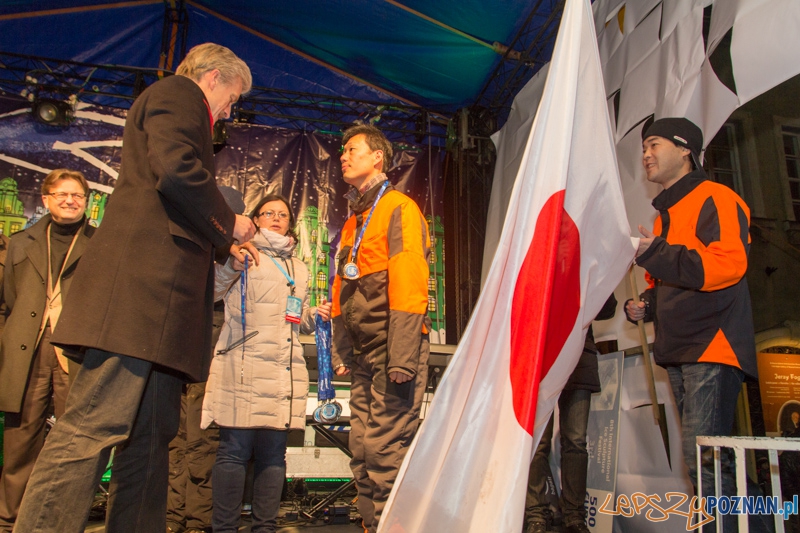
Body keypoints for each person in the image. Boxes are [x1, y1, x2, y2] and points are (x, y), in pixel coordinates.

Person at [14, 43, 257, 533]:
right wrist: (230, 223)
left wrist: (218, 239)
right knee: (90, 428)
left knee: (150, 441)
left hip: (161, 313)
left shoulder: (183, 103)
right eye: (232, 98)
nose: (231, 111)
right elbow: (177, 172)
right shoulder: (178, 94)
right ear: (212, 78)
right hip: (137, 303)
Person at [624, 118, 757, 528]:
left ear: (685, 149)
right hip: (681, 348)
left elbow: (727, 264)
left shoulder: (716, 197)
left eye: (654, 144)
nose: (645, 154)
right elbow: (671, 278)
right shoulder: (665, 217)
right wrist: (646, 303)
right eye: (643, 148)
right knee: (711, 469)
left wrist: (656, 253)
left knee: (708, 468)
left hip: (712, 345)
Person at [201, 194, 332, 533]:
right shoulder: (240, 251)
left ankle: (265, 527)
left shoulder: (298, 268)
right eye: (268, 213)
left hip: (282, 368)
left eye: (283, 215)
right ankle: (224, 528)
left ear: (291, 222)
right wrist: (231, 266)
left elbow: (292, 317)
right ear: (255, 219)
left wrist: (312, 316)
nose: (276, 218)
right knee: (234, 452)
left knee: (274, 456)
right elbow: (212, 293)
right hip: (243, 365)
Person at [331, 124, 431, 533]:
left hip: (394, 351)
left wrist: (403, 356)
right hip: (363, 355)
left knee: (383, 450)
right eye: (341, 150)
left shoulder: (399, 208)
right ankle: (372, 525)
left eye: (351, 149)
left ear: (377, 157)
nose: (343, 155)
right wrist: (340, 350)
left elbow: (409, 283)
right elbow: (341, 289)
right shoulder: (353, 222)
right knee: (360, 448)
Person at [0, 169, 94, 532]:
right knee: (21, 441)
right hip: (27, 354)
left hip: (76, 354)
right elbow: (7, 303)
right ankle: (9, 522)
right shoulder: (20, 243)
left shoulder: (100, 244)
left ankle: (62, 522)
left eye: (77, 195)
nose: (70, 200)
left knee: (75, 445)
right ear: (46, 199)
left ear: (86, 201)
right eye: (62, 194)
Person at [166, 186, 246, 533]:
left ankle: (198, 521)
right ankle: (170, 516)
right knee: (172, 438)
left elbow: (215, 292)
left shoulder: (235, 255)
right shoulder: (179, 244)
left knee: (203, 438)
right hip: (171, 345)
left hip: (212, 349)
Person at [525, 295, 617, 533]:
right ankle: (536, 514)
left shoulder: (590, 259)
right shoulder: (539, 259)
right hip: (541, 355)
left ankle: (575, 515)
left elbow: (608, 308)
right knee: (538, 443)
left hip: (579, 355)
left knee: (575, 442)